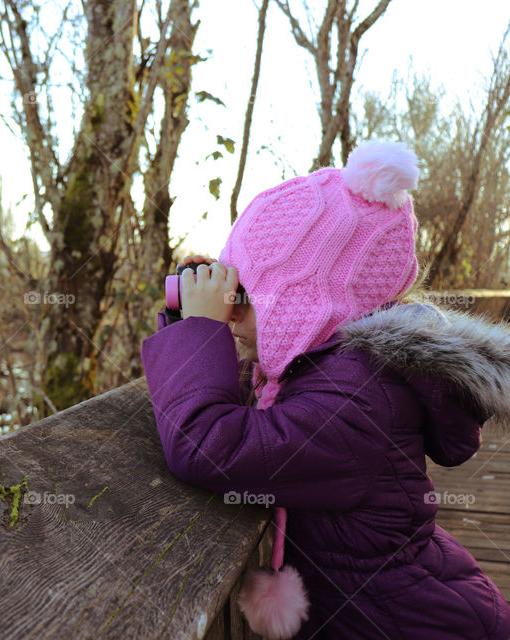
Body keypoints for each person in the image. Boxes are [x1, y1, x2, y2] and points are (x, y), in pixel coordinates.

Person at [140, 140, 510, 639]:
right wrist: (190, 321)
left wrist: (198, 331)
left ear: (300, 304)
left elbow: (209, 445)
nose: (229, 314)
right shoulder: (326, 366)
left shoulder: (357, 394)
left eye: (241, 294)